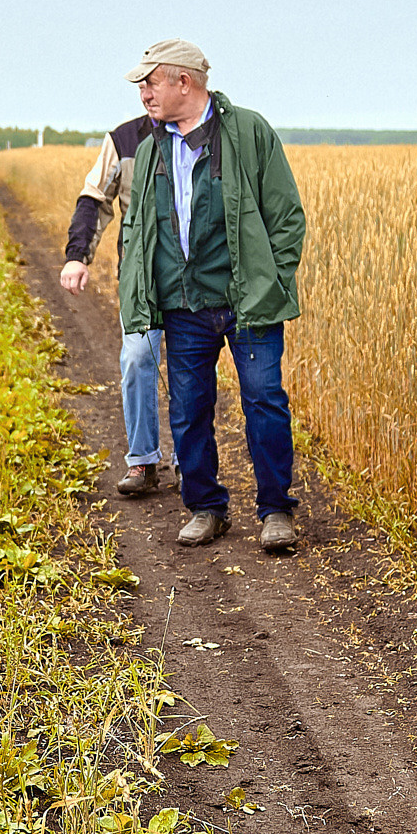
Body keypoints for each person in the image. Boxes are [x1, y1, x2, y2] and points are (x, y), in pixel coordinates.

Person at [114, 40, 306, 553]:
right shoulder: (153, 145)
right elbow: (140, 228)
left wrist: (273, 281)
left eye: (150, 82)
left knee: (264, 402)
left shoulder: (247, 131)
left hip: (248, 303)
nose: (143, 94)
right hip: (184, 305)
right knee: (188, 409)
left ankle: (275, 512)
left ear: (184, 82)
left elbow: (286, 217)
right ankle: (206, 507)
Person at [59, 115, 165, 496]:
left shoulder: (203, 133)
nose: (146, 94)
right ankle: (142, 461)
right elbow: (94, 198)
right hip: (139, 274)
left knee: (190, 370)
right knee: (137, 359)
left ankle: (192, 463)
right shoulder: (123, 139)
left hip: (197, 279)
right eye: (142, 86)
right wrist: (77, 256)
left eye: (152, 84)